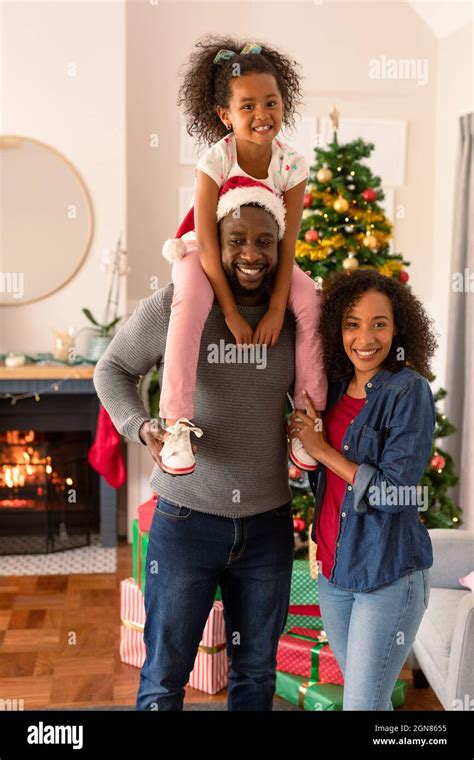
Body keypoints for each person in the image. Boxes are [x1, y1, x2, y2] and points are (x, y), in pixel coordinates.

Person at [94, 177, 308, 710]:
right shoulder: (178, 303)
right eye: (237, 239)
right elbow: (113, 368)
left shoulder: (297, 318)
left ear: (281, 246)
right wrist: (141, 427)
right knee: (165, 676)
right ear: (212, 242)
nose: (251, 254)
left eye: (265, 241)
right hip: (186, 522)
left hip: (268, 526)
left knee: (255, 674)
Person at [159, 34, 327, 474]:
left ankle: (307, 421)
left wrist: (276, 308)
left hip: (267, 257)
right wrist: (232, 312)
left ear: (283, 104)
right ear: (225, 115)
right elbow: (209, 244)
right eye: (247, 106)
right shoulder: (215, 160)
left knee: (310, 300)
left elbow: (287, 242)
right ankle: (176, 420)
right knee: (190, 296)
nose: (261, 115)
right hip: (210, 252)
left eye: (270, 102)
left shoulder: (292, 166)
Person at [288, 269, 438, 710]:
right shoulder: (332, 388)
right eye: (352, 323)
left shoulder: (409, 391)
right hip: (336, 572)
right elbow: (322, 478)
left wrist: (322, 449)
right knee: (368, 700)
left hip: (387, 574)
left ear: (399, 327)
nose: (365, 337)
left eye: (379, 323)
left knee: (362, 705)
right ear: (338, 327)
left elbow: (396, 491)